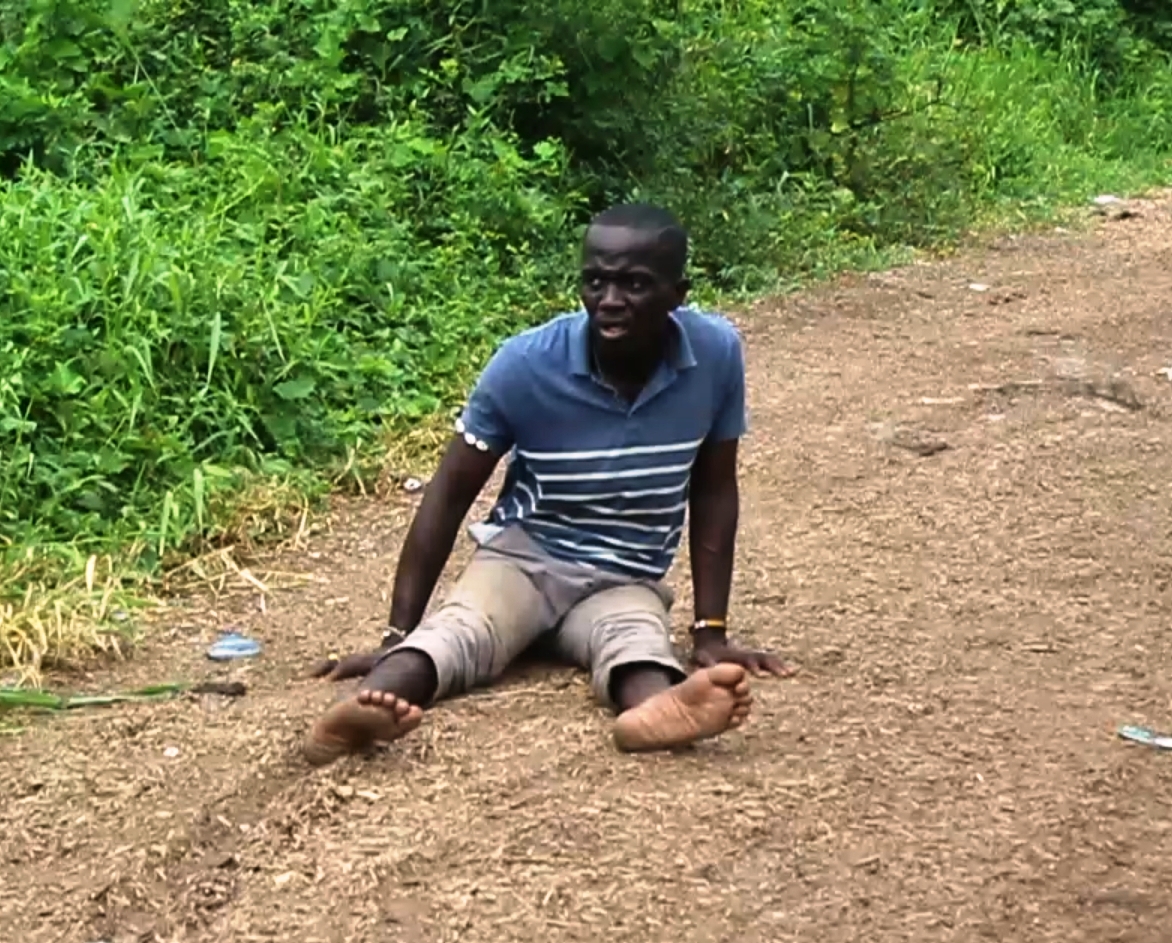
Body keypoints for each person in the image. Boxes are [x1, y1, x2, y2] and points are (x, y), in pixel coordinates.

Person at [303, 203, 793, 767]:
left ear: (678, 294)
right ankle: (362, 713)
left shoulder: (715, 355)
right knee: (461, 630)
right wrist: (396, 631)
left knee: (638, 642)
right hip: (524, 563)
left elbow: (712, 491)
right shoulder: (526, 364)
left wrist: (710, 632)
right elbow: (448, 494)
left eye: (634, 284)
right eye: (595, 281)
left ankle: (654, 713)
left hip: (624, 574)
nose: (610, 300)